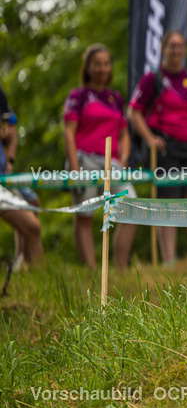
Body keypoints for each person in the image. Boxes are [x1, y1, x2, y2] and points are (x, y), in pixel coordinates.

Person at [128, 30, 187, 265]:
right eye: (171, 46)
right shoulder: (151, 79)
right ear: (163, 49)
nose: (176, 50)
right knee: (169, 203)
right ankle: (169, 261)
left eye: (180, 46)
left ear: (185, 49)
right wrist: (149, 138)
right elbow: (134, 111)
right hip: (165, 147)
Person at [63, 44, 138, 269]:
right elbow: (68, 131)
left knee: (131, 209)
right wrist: (75, 168)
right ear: (87, 67)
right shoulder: (78, 95)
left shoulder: (115, 98)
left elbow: (124, 133)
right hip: (84, 160)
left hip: (113, 163)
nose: (102, 68)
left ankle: (121, 268)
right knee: (86, 215)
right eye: (97, 64)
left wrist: (124, 157)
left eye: (106, 63)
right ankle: (92, 270)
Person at [0, 87, 44, 267]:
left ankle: (22, 266)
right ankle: (38, 279)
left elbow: (11, 131)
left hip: (4, 179)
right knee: (33, 227)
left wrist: (10, 159)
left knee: (32, 202)